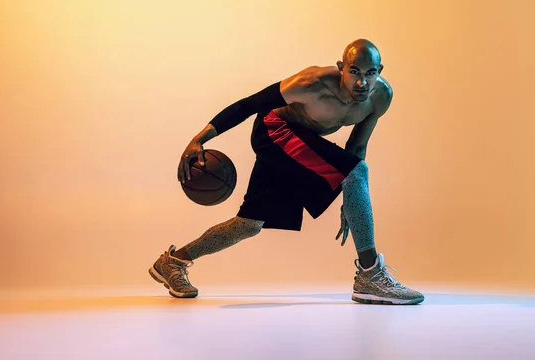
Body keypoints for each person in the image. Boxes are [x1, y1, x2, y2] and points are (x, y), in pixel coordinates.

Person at [149, 39, 424, 305]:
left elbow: (357, 145)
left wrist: (352, 198)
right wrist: (199, 139)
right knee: (358, 172)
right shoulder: (311, 84)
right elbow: (248, 105)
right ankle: (370, 274)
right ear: (341, 67)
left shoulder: (380, 97)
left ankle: (173, 262)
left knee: (248, 225)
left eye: (370, 73)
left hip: (298, 141)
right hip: (274, 130)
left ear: (380, 71)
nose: (362, 82)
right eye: (354, 72)